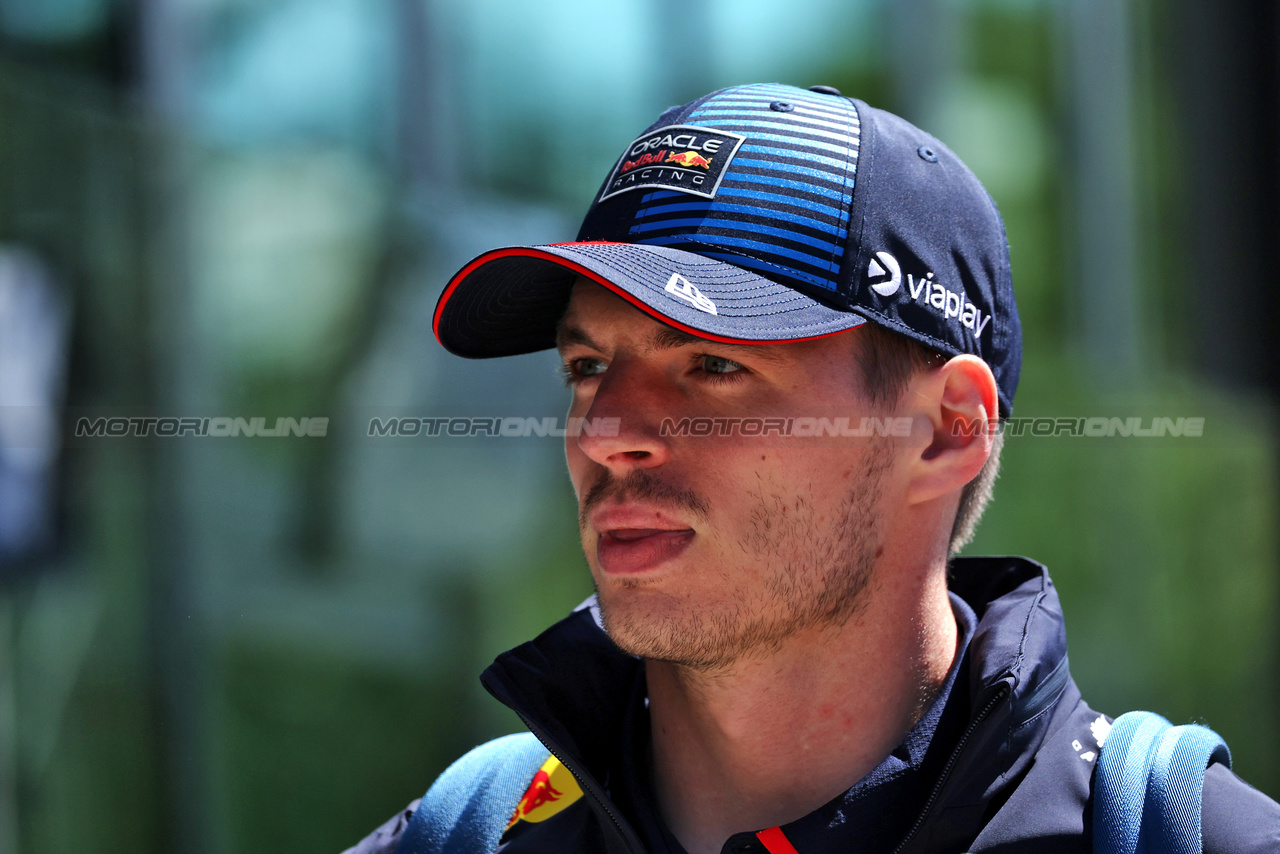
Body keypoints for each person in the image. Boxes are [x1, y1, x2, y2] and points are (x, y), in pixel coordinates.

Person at [347, 83, 1279, 853]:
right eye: (588, 368)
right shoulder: (471, 831)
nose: (606, 431)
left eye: (714, 364)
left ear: (947, 431)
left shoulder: (1172, 834)